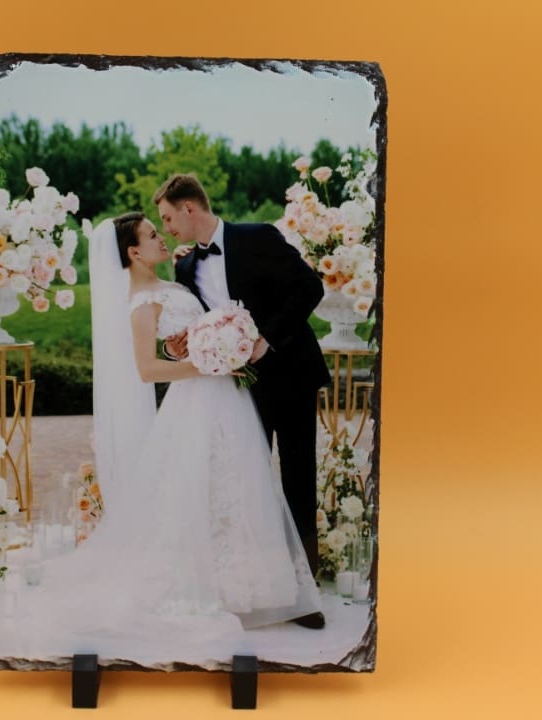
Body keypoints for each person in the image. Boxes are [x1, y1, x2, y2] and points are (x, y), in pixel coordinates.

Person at [16, 213, 321, 667]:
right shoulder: (140, 304)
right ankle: (205, 583)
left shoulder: (178, 285)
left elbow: (182, 341)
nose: (162, 237)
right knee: (198, 490)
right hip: (196, 402)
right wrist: (208, 365)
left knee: (236, 484)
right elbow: (148, 370)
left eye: (161, 230)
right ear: (133, 252)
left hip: (226, 401)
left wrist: (202, 343)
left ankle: (244, 584)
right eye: (152, 235)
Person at [154, 174, 330, 629]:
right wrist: (177, 347)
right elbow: (193, 325)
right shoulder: (185, 268)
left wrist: (267, 339)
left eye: (169, 218)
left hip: (289, 375)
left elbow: (310, 288)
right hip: (236, 390)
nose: (168, 227)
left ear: (190, 208)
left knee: (297, 480)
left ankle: (306, 596)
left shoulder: (258, 236)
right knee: (250, 486)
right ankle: (261, 585)